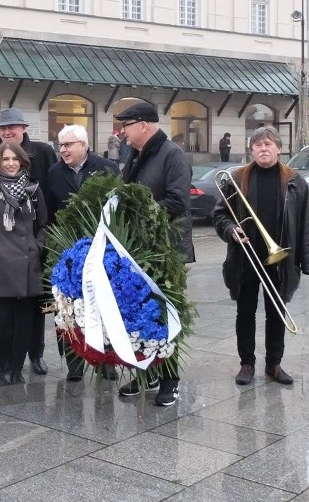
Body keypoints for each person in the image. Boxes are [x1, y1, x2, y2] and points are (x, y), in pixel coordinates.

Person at [212, 126, 309, 386]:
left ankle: (274, 364)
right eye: (258, 145)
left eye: (269, 144)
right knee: (245, 313)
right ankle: (246, 364)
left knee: (277, 314)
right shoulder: (236, 178)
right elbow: (219, 214)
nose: (263, 149)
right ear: (251, 150)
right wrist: (231, 230)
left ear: (279, 149)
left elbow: (305, 223)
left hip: (280, 259)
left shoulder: (294, 181)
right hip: (245, 258)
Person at [114, 101, 195, 407]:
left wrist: (139, 215)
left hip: (167, 251)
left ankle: (170, 380)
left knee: (167, 316)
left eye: (126, 126)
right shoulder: (136, 154)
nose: (123, 133)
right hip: (140, 250)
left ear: (143, 125)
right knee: (142, 314)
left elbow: (177, 202)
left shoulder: (172, 155)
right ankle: (147, 372)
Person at [0, 107, 57, 375]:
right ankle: (3, 366)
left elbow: (46, 214)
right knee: (4, 319)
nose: (8, 132)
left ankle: (32, 357)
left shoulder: (41, 159)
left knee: (32, 315)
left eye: (13, 127)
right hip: (3, 256)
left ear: (24, 129)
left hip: (31, 254)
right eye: (3, 128)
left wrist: (39, 244)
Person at [45, 125, 119, 381]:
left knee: (102, 305)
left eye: (68, 145)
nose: (62, 149)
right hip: (65, 251)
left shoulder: (107, 168)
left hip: (100, 249)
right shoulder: (53, 173)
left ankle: (106, 361)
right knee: (66, 308)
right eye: (60, 145)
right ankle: (74, 363)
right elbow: (48, 212)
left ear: (84, 145)